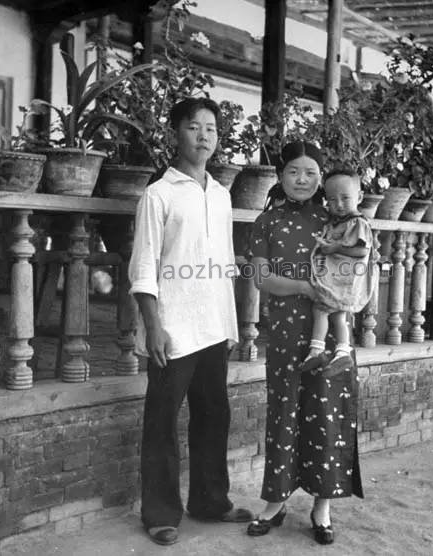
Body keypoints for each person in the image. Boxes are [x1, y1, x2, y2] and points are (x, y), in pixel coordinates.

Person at [129, 97, 252, 546]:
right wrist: (154, 325)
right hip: (174, 328)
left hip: (213, 326)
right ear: (175, 133)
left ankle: (210, 501)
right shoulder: (158, 195)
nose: (204, 136)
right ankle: (160, 513)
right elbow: (144, 265)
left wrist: (230, 324)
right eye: (194, 127)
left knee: (213, 415)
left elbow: (222, 266)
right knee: (162, 421)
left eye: (212, 129)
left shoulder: (220, 195)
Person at [245, 141, 364, 546]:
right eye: (294, 171)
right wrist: (308, 287)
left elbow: (359, 262)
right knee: (284, 411)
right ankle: (274, 502)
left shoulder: (336, 220)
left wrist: (337, 294)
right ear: (280, 176)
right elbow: (262, 280)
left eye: (311, 172)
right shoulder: (267, 222)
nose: (303, 180)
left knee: (328, 413)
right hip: (285, 333)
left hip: (331, 332)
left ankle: (322, 507)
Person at [300, 168, 374, 377]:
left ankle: (317, 350)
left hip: (345, 278)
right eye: (332, 200)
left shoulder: (358, 222)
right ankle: (342, 351)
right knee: (338, 316)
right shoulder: (337, 222)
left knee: (321, 310)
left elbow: (362, 250)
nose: (338, 205)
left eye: (345, 198)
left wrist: (335, 248)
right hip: (339, 279)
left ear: (359, 197)